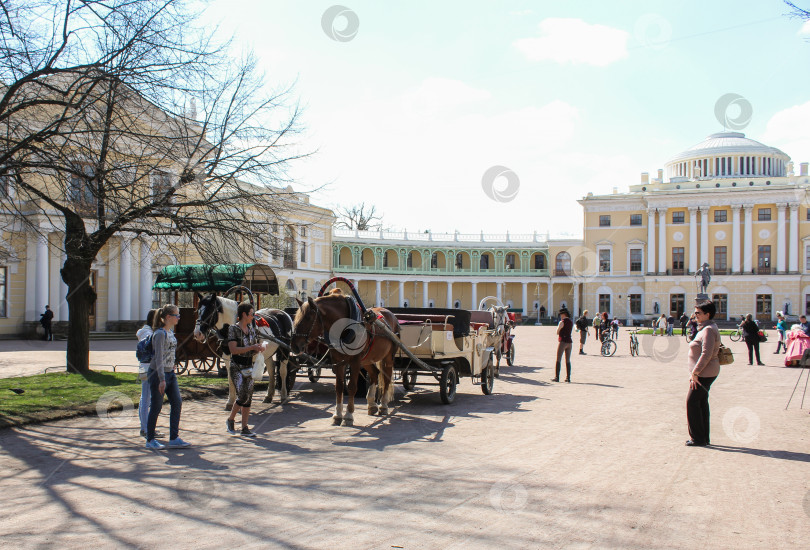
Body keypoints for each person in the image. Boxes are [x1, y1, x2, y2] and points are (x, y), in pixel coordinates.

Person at [145, 304, 191, 450]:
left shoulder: (170, 332)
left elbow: (169, 353)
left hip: (170, 373)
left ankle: (174, 437)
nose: (179, 317)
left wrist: (172, 366)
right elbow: (158, 357)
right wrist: (162, 379)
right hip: (159, 374)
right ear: (168, 317)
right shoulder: (159, 334)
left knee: (177, 403)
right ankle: (150, 439)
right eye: (176, 315)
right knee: (156, 406)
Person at [226, 302, 266, 437]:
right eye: (251, 314)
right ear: (244, 314)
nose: (253, 317)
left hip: (249, 366)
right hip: (237, 367)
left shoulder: (251, 329)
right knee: (242, 395)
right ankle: (230, 419)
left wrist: (259, 348)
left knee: (248, 397)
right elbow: (233, 350)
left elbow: (254, 348)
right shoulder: (233, 329)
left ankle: (244, 427)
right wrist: (252, 347)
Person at [685, 300, 721, 447]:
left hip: (704, 373)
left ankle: (698, 438)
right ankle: (703, 437)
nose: (695, 315)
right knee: (700, 403)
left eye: (698, 313)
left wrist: (695, 372)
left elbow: (706, 354)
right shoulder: (707, 328)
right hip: (705, 372)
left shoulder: (708, 330)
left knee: (692, 402)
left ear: (707, 314)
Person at [137, 309, 162, 439]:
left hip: (147, 368)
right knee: (146, 397)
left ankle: (147, 427)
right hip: (147, 368)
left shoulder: (148, 331)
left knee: (148, 397)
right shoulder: (147, 333)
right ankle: (145, 428)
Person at [552, 308, 573, 383]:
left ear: (564, 314)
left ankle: (557, 377)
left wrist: (559, 326)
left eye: (561, 314)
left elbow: (557, 332)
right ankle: (568, 377)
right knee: (568, 360)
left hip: (563, 342)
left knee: (558, 359)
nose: (560, 316)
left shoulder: (562, 322)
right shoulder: (571, 322)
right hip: (569, 342)